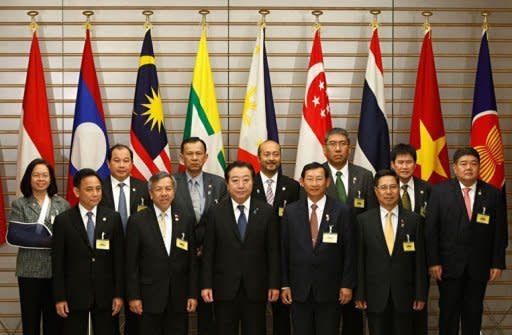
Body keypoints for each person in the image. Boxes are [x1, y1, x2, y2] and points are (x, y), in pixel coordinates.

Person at [425, 147, 507, 335]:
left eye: (473, 163)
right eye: (463, 164)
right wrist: (434, 261)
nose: (468, 167)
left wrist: (497, 262)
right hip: (447, 266)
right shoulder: (439, 192)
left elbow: (499, 232)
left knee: (473, 313)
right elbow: (431, 230)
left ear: (479, 167)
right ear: (455, 168)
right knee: (448, 314)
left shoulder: (493, 194)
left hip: (479, 266)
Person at [201, 161, 280, 335]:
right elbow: (209, 253)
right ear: (227, 184)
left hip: (256, 288)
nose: (241, 185)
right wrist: (206, 284)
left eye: (246, 180)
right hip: (223, 287)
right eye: (235, 180)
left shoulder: (267, 211)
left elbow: (273, 252)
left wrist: (274, 284)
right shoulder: (215, 212)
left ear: (253, 182)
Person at [281, 162, 354, 335]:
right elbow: (284, 250)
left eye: (319, 179)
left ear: (327, 182)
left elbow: (350, 250)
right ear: (302, 181)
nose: (314, 183)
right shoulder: (290, 211)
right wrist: (285, 284)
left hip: (331, 289)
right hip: (299, 289)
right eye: (310, 179)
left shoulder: (342, 211)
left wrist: (347, 285)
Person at [52, 168, 124, 335]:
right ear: (77, 191)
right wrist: (60, 297)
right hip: (74, 295)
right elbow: (58, 263)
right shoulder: (64, 221)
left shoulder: (113, 218)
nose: (95, 193)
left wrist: (119, 294)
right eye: (89, 189)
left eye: (98, 189)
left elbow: (118, 260)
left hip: (105, 295)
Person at [355, 169, 427, 335]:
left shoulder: (413, 220)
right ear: (376, 191)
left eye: (393, 187)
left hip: (405, 294)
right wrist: (360, 293)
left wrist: (420, 294)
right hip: (374, 295)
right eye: (384, 187)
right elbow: (359, 259)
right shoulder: (363, 221)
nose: (389, 192)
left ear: (399, 189)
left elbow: (419, 261)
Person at [126, 171, 197, 335]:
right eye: (158, 189)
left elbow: (192, 262)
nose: (164, 193)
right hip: (148, 298)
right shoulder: (137, 221)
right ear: (151, 194)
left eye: (168, 188)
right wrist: (133, 296)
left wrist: (192, 294)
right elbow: (131, 264)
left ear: (174, 191)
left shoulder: (186, 219)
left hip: (178, 298)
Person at [322, 127, 377, 335]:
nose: (338, 149)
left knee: (353, 320)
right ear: (324, 148)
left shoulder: (364, 176)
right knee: (327, 319)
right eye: (333, 144)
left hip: (356, 257)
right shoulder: (316, 174)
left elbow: (372, 218)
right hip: (324, 258)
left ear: (349, 148)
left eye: (342, 144)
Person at [173, 137, 227, 335]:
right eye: (189, 153)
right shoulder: (171, 183)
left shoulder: (220, 184)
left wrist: (207, 247)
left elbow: (224, 222)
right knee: (178, 314)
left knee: (208, 314)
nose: (194, 158)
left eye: (198, 154)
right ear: (181, 157)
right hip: (178, 259)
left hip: (211, 260)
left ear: (206, 157)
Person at [9, 158, 70, 335]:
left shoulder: (62, 204)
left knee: (55, 322)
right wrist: (50, 240)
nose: (41, 179)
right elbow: (16, 235)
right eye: (36, 175)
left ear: (51, 179)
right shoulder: (19, 204)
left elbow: (67, 237)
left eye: (45, 175)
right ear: (29, 178)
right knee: (30, 320)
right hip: (29, 270)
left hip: (56, 271)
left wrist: (38, 237)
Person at [252, 140, 300, 335]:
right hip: (254, 261)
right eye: (267, 154)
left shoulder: (293, 186)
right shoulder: (247, 184)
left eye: (275, 154)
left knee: (282, 317)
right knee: (254, 317)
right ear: (259, 157)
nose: (271, 158)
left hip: (283, 261)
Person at [100, 144, 150, 335]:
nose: (121, 165)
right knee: (108, 316)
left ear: (132, 163)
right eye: (117, 160)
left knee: (136, 316)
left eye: (126, 160)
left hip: (138, 261)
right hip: (107, 259)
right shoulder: (98, 188)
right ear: (108, 163)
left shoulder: (144, 188)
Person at [390, 143, 431, 335]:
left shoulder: (428, 189)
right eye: (400, 162)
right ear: (392, 165)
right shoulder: (385, 188)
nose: (404, 166)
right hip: (391, 259)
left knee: (418, 311)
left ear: (415, 164)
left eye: (409, 162)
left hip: (419, 258)